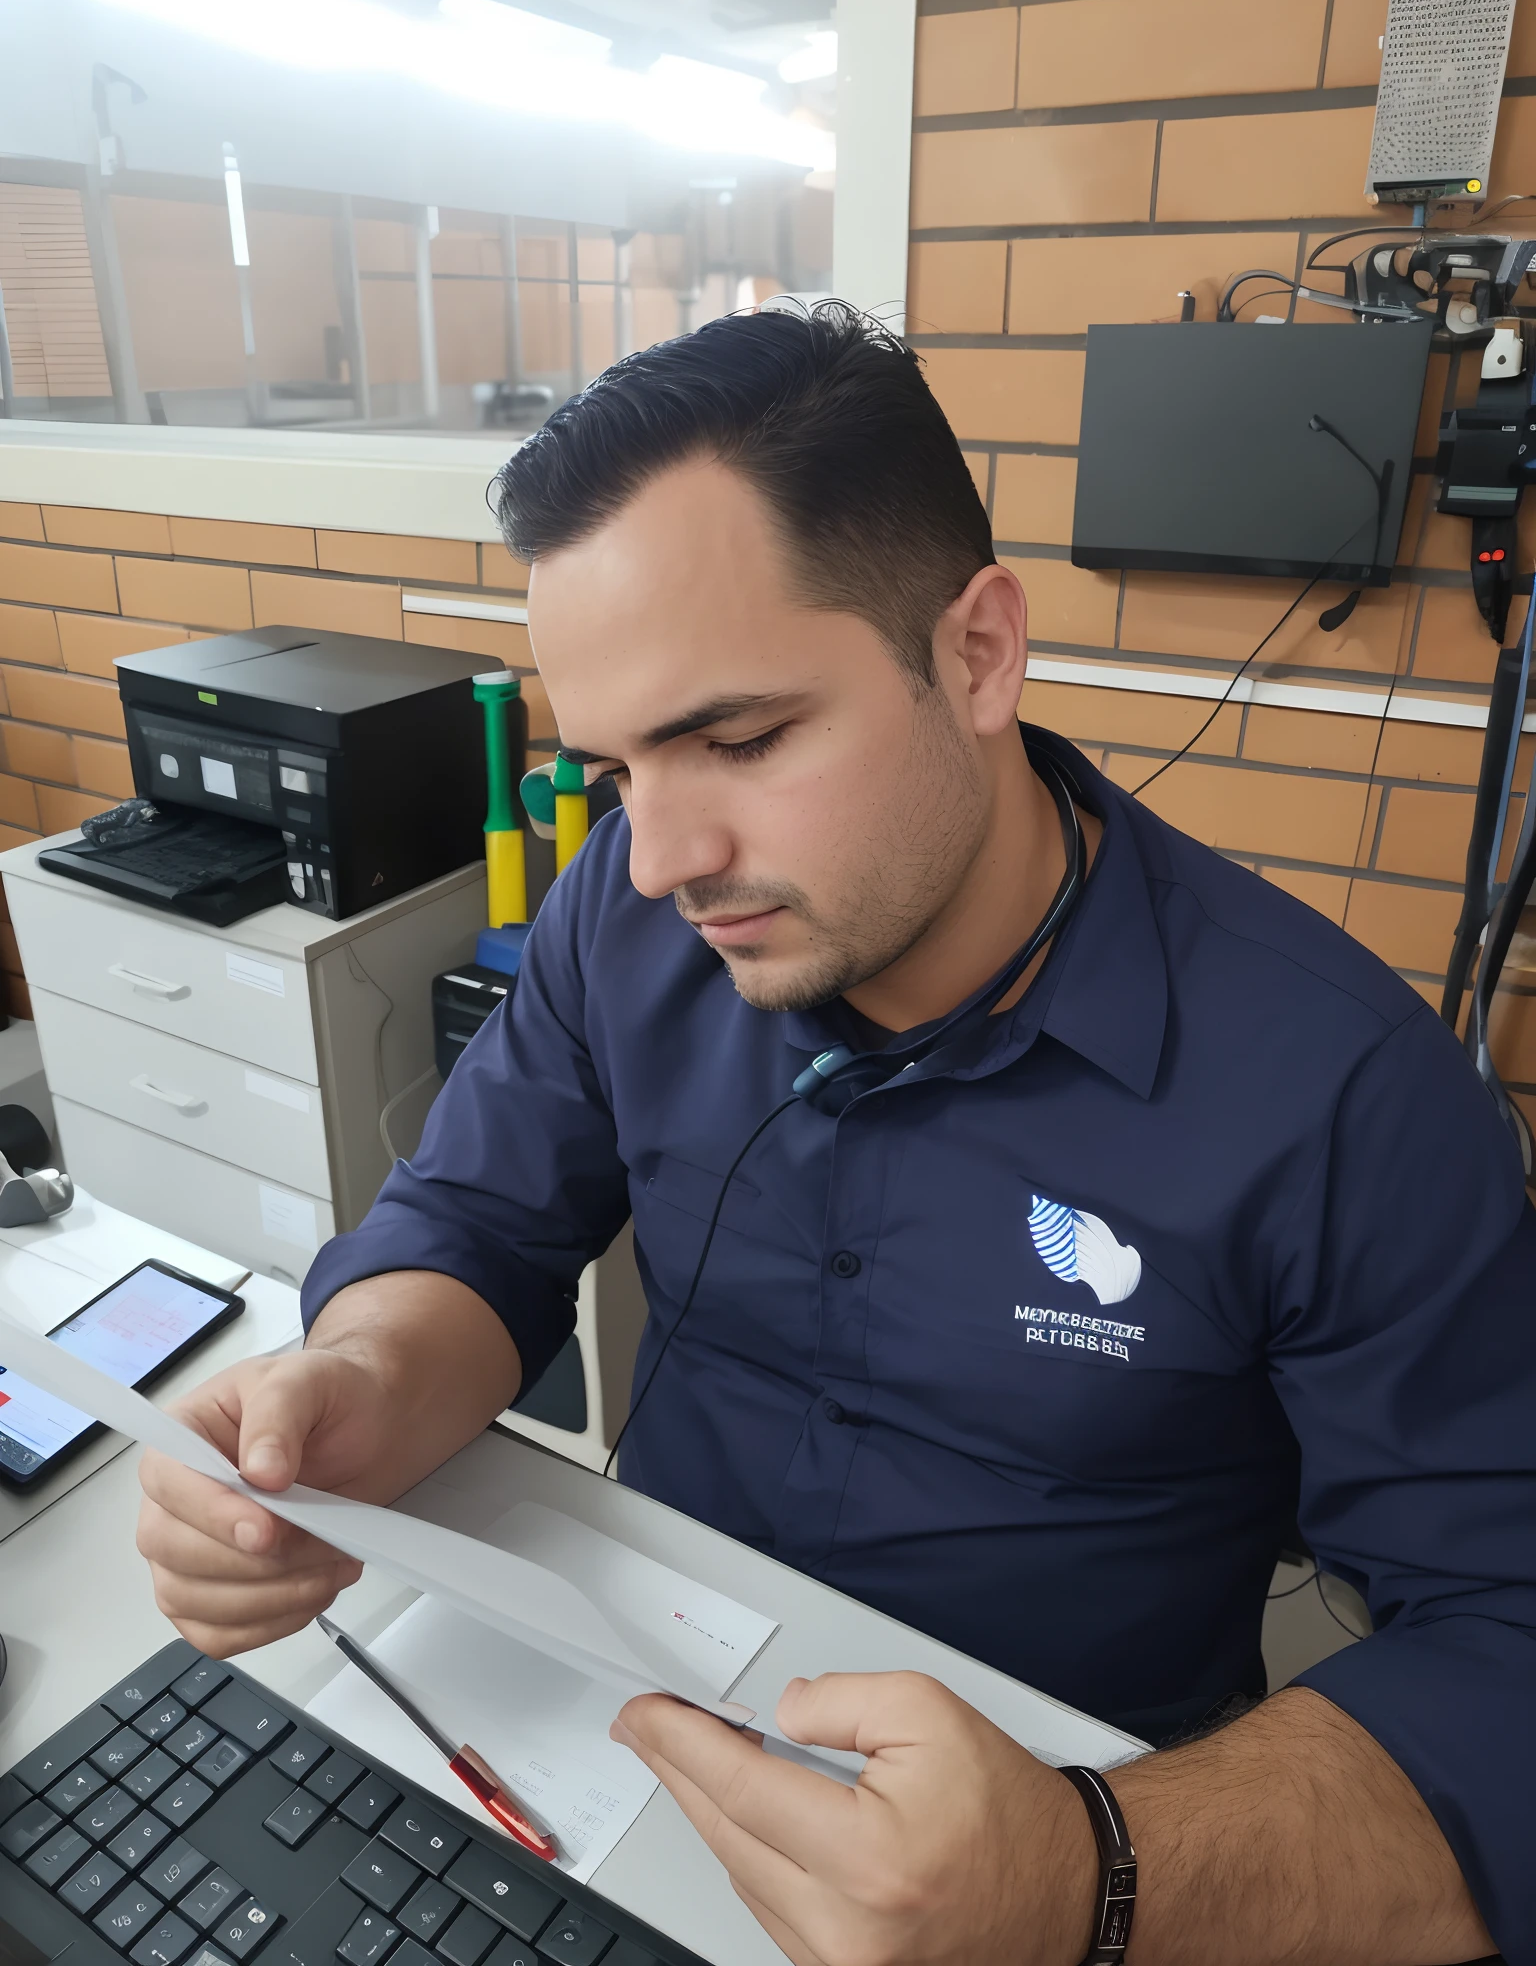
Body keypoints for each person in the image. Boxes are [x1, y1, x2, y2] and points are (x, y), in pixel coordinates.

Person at [136, 305, 1534, 1966]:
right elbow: (472, 1234)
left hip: (1062, 1834)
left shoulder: (1344, 1096)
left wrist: (1098, 1871)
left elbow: (1506, 1648)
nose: (662, 856)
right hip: (609, 1732)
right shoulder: (626, 922)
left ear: (980, 653)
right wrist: (355, 1386)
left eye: (737, 740)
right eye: (617, 767)